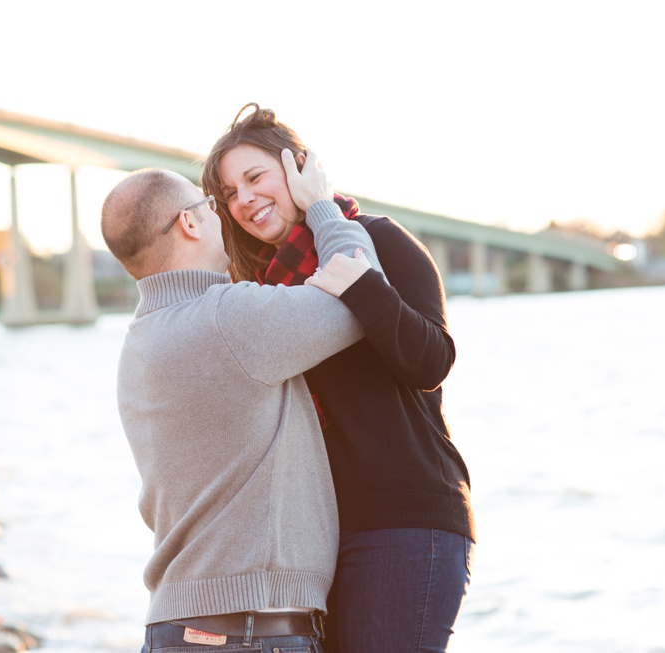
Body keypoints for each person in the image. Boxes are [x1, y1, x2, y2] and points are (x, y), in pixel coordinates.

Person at [200, 103, 476, 653]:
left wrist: (358, 283)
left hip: (405, 520)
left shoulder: (379, 239)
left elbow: (431, 361)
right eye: (230, 193)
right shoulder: (259, 291)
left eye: (255, 177)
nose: (245, 199)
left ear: (299, 168)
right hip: (315, 542)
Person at [100, 152, 387, 652]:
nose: (221, 214)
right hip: (249, 629)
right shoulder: (228, 319)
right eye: (211, 204)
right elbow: (363, 292)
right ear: (189, 222)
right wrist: (321, 206)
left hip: (174, 626)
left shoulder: (138, 345)